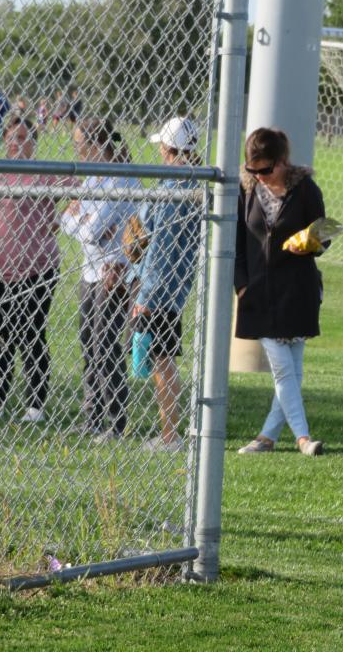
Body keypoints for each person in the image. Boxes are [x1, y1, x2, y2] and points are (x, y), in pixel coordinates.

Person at [235, 128, 326, 457]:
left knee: (293, 372)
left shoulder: (305, 190)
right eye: (252, 170)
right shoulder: (245, 193)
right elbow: (237, 247)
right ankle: (303, 439)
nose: (258, 176)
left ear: (283, 162)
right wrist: (242, 286)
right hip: (258, 294)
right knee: (283, 370)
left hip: (297, 292)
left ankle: (267, 438)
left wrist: (311, 245)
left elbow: (323, 232)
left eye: (265, 169)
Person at [0, 116, 66, 424]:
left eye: (23, 137)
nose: (16, 143)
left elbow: (80, 189)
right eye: (11, 137)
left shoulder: (45, 174)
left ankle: (35, 404)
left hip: (36, 269)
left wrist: (61, 218)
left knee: (32, 333)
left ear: (34, 142)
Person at [61, 118, 142, 439]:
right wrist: (82, 219)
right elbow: (65, 221)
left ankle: (116, 422)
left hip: (114, 274)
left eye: (80, 146)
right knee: (88, 344)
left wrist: (82, 218)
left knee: (105, 345)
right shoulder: (92, 178)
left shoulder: (120, 178)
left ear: (97, 146)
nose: (76, 152)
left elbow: (93, 231)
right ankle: (92, 416)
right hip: (90, 271)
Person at [132, 116, 202, 453]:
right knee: (162, 358)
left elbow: (160, 249)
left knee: (162, 360)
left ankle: (170, 433)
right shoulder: (189, 183)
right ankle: (170, 429)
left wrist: (145, 295)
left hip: (160, 292)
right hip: (174, 289)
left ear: (167, 148)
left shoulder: (174, 188)